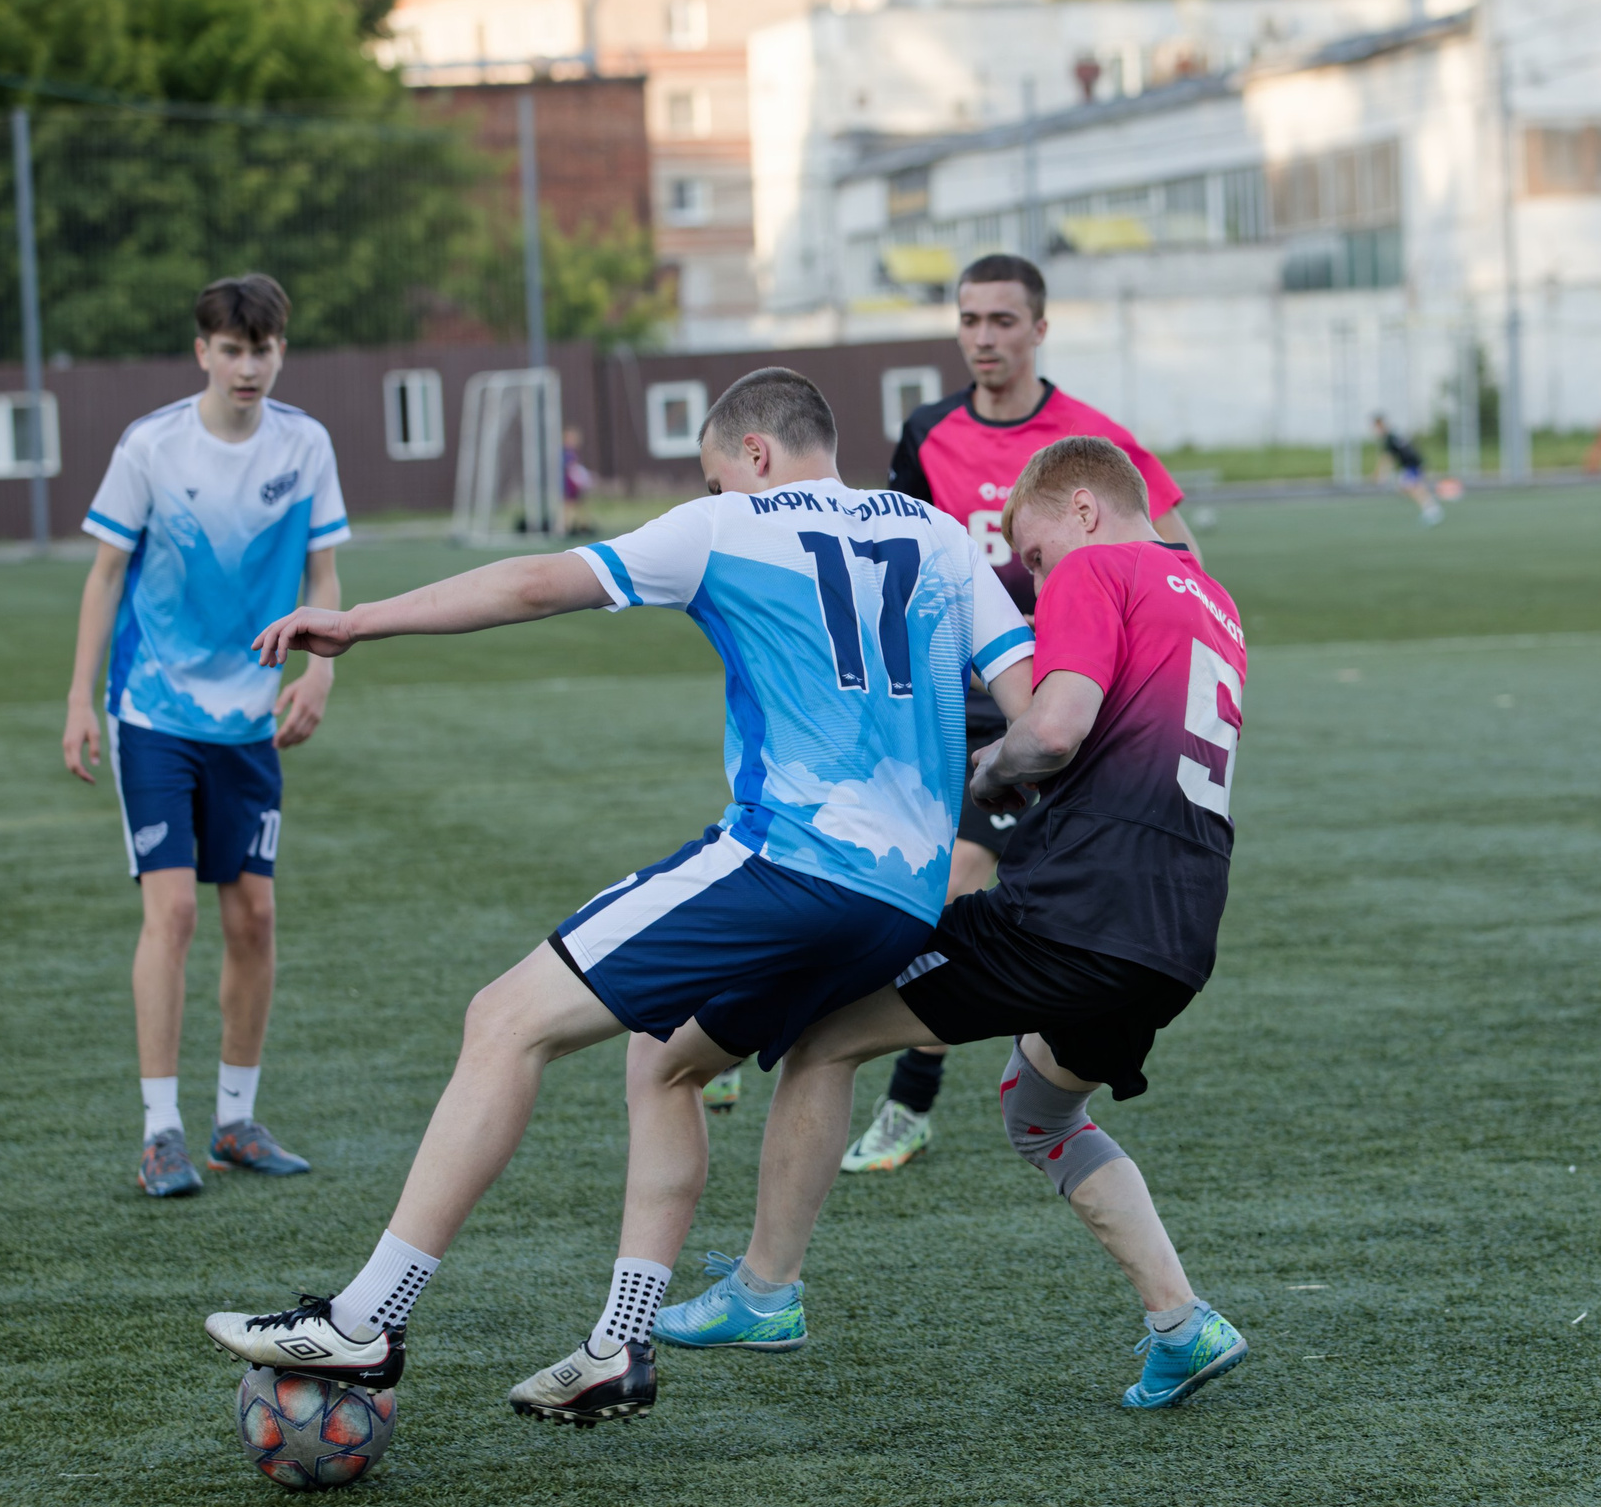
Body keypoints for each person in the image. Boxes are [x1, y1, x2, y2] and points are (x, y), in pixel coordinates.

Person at [205, 368, 1034, 1425]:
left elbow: (532, 584)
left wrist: (360, 620)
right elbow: (1034, 715)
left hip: (794, 860)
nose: (711, 489)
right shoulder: (942, 537)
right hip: (907, 894)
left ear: (756, 456)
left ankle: (367, 1318)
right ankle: (619, 1345)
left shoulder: (728, 525)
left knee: (503, 1019)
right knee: (668, 1060)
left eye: (711, 474)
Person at [654, 435, 1249, 1409]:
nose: (1038, 578)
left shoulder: (1097, 565)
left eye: (1037, 554)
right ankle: (1181, 1326)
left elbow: (1055, 728)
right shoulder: (1212, 598)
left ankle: (765, 1291)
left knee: (822, 1038)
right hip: (1177, 930)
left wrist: (982, 772)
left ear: (1085, 510)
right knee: (1039, 1110)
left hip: (1074, 913)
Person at [847, 252, 1200, 1175]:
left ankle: (907, 1101)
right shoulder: (927, 434)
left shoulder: (1091, 439)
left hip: (1046, 707)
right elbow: (905, 556)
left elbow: (1178, 559)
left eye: (1003, 320)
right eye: (970, 320)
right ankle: (740, 1014)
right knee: (884, 859)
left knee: (963, 868)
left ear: (1039, 329)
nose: (985, 338)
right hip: (943, 699)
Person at [62, 274, 348, 1197]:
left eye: (263, 349)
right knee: (175, 912)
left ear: (279, 353)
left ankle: (235, 1121)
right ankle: (160, 1133)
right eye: (232, 349)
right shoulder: (151, 445)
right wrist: (78, 699)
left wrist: (321, 668)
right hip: (153, 711)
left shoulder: (306, 444)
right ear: (203, 353)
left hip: (249, 719)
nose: (248, 366)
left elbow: (324, 569)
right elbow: (105, 575)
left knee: (254, 916)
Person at [1372, 415, 1444, 526]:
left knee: (1410, 486)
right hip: (1411, 464)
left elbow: (1388, 458)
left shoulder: (1389, 438)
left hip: (1411, 464)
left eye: (1376, 427)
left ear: (1380, 425)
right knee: (1409, 487)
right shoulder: (1393, 435)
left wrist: (1381, 475)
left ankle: (1431, 509)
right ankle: (1430, 506)